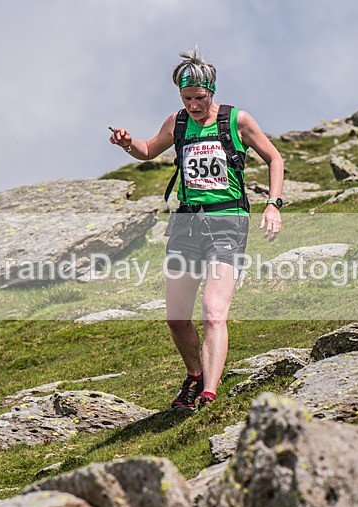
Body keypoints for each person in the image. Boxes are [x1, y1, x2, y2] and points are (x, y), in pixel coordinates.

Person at [109, 48, 284, 409]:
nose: (193, 105)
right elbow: (148, 150)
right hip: (186, 225)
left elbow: (274, 157)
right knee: (176, 318)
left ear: (212, 91)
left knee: (213, 312)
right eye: (186, 98)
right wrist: (128, 144)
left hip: (228, 222)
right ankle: (195, 375)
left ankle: (209, 393)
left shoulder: (237, 120)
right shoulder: (177, 122)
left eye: (200, 98)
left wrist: (273, 203)